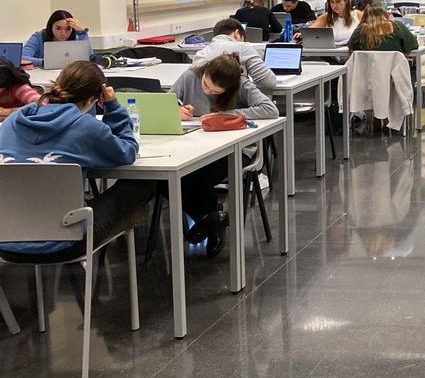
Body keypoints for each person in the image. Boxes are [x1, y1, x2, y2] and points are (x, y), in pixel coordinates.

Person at [0, 61, 154, 259]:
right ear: (94, 98)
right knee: (140, 186)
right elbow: (127, 151)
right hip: (65, 242)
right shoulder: (86, 128)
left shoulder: (12, 122)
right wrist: (113, 107)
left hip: (6, 241)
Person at [172, 53, 280, 258]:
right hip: (194, 147)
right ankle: (212, 219)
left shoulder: (242, 85)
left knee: (194, 177)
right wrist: (176, 111)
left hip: (235, 151)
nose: (206, 91)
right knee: (163, 181)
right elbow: (167, 101)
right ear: (204, 72)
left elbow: (270, 109)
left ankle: (210, 219)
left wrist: (228, 115)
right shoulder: (190, 77)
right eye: (205, 84)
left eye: (214, 91)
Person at [194, 18, 277, 91]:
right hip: (236, 104)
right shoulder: (243, 48)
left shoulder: (200, 53)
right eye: (243, 39)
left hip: (206, 106)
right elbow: (269, 83)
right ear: (237, 33)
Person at [22, 10, 90, 68]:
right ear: (51, 27)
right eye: (58, 28)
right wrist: (46, 62)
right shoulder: (39, 37)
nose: (63, 33)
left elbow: (90, 58)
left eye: (68, 29)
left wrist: (82, 33)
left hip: (70, 76)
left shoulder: (78, 36)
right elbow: (22, 58)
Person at [349, 4, 419, 54]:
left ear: (365, 18)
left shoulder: (361, 30)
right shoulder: (397, 26)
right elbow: (413, 45)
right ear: (385, 14)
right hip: (393, 72)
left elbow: (352, 47)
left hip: (368, 72)